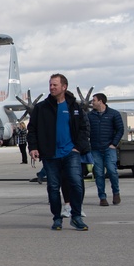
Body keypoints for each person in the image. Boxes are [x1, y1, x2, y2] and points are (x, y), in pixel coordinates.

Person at [27, 73, 90, 232]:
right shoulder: (41, 107)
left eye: (55, 85)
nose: (52, 87)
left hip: (71, 152)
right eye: (50, 85)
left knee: (76, 183)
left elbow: (84, 129)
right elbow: (32, 129)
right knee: (53, 187)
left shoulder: (74, 107)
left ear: (64, 87)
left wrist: (78, 147)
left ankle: (76, 216)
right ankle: (57, 217)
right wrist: (33, 147)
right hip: (50, 154)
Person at [88, 93, 124, 206]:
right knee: (98, 173)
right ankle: (102, 197)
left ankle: (116, 193)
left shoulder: (114, 114)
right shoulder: (90, 116)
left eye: (94, 100)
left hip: (109, 148)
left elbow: (120, 130)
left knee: (112, 171)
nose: (92, 102)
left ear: (101, 101)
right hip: (95, 149)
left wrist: (114, 144)